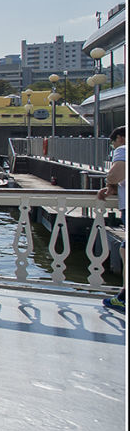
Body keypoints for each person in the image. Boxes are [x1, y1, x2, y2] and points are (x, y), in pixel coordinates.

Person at [97, 125, 126, 314]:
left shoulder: (123, 149)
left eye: (113, 142)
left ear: (121, 138)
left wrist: (110, 185)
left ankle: (123, 300)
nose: (113, 146)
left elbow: (116, 173)